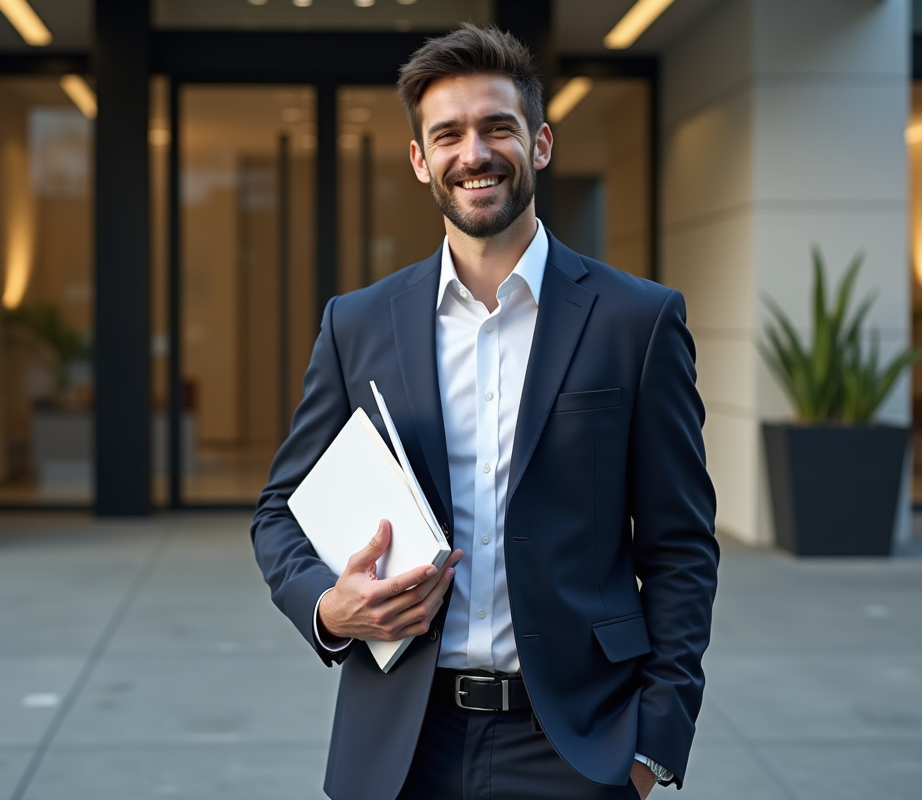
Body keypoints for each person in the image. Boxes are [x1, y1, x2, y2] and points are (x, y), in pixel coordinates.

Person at [252, 23, 719, 800]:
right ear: (420, 160)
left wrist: (652, 748)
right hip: (401, 745)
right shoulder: (357, 324)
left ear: (538, 144)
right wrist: (329, 610)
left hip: (578, 746)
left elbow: (680, 549)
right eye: (449, 135)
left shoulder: (637, 321)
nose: (474, 153)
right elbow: (279, 512)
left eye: (497, 128)